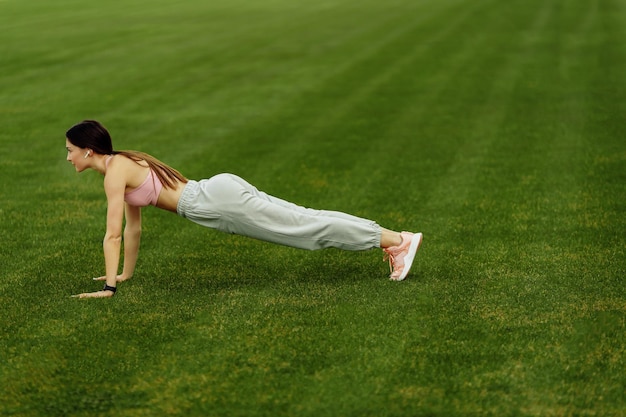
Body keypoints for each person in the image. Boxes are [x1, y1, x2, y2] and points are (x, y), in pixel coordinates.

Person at [66, 120, 422, 298]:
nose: (68, 157)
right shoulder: (123, 163)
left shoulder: (114, 174)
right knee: (307, 219)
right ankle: (394, 240)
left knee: (306, 230)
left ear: (87, 150)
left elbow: (111, 234)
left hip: (217, 202)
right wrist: (125, 276)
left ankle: (397, 242)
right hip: (218, 191)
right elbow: (132, 229)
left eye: (70, 150)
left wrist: (109, 289)